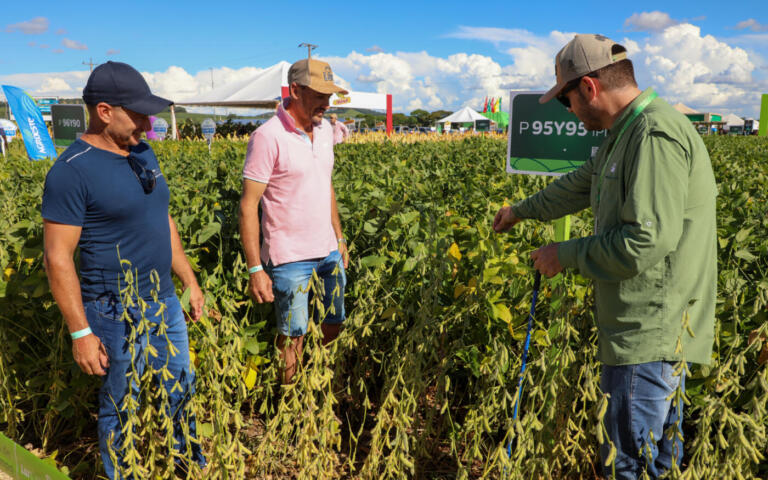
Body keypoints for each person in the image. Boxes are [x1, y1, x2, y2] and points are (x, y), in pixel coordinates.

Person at [493, 34, 717, 479]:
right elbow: (578, 185)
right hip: (642, 329)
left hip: (649, 333)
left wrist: (566, 254)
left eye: (567, 101)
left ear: (590, 88)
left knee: (632, 463)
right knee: (652, 458)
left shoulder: (653, 134)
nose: (570, 112)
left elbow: (645, 241)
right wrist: (519, 212)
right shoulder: (624, 133)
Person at [41, 61, 206, 478]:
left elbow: (162, 218)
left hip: (165, 299)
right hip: (113, 308)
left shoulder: (141, 151)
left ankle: (184, 467)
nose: (148, 125)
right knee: (122, 402)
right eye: (138, 114)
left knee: (180, 388)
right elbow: (57, 257)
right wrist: (81, 332)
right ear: (104, 111)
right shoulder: (71, 171)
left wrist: (188, 279)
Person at [239, 58, 350, 383]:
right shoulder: (267, 137)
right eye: (320, 95)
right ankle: (289, 406)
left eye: (330, 96)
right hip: (289, 258)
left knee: (334, 323)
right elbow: (248, 206)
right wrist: (255, 269)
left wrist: (339, 239)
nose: (327, 104)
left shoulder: (326, 130)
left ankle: (317, 387)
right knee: (293, 335)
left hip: (329, 251)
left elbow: (324, 183)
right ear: (296, 90)